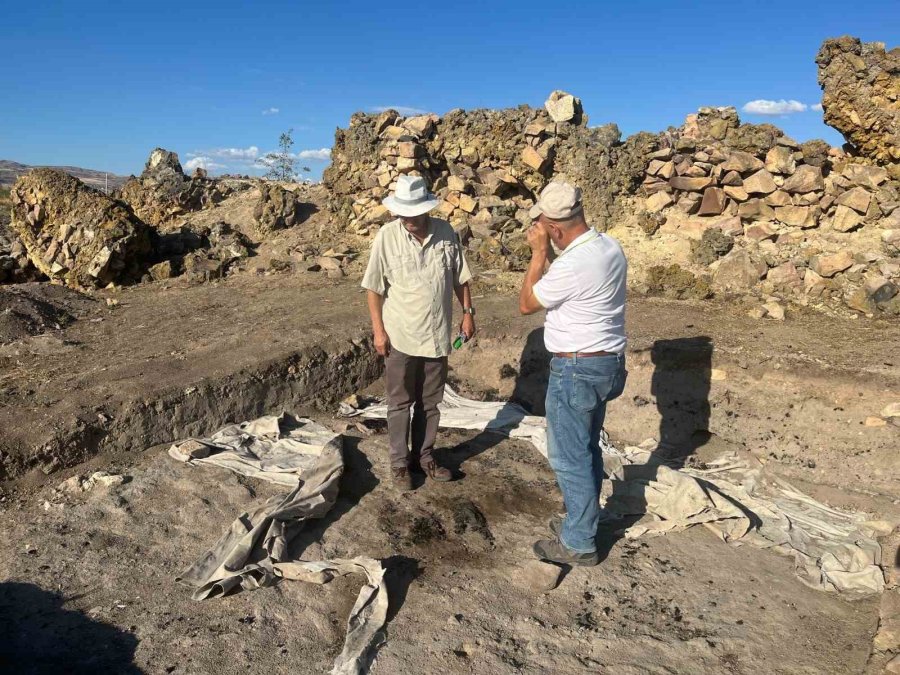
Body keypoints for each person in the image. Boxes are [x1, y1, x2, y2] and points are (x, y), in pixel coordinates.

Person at [518, 180, 628, 566]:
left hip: (577, 368)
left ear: (555, 229)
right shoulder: (608, 247)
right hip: (606, 364)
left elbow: (528, 303)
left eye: (544, 227)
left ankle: (579, 542)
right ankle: (584, 521)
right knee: (586, 448)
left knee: (569, 457)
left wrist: (537, 255)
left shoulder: (573, 263)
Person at [362, 175, 476, 491]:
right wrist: (378, 331)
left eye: (413, 214)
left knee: (430, 403)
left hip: (437, 335)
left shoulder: (446, 233)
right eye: (402, 214)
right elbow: (373, 287)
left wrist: (468, 314)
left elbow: (460, 278)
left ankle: (424, 457)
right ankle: (399, 464)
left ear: (426, 209)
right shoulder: (387, 236)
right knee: (399, 402)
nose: (407, 220)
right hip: (399, 335)